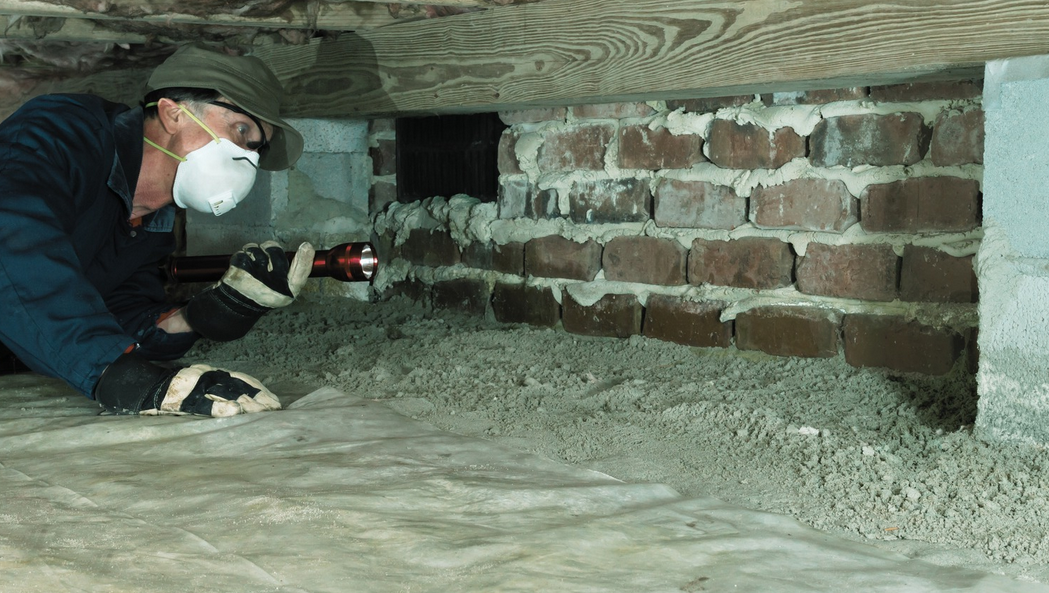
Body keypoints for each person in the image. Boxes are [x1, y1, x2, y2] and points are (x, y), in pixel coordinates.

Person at [0, 43, 314, 417]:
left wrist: (201, 316)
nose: (248, 159)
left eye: (256, 149)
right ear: (172, 114)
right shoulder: (61, 134)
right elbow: (13, 247)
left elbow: (115, 318)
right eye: (240, 130)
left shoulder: (153, 226)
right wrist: (124, 379)